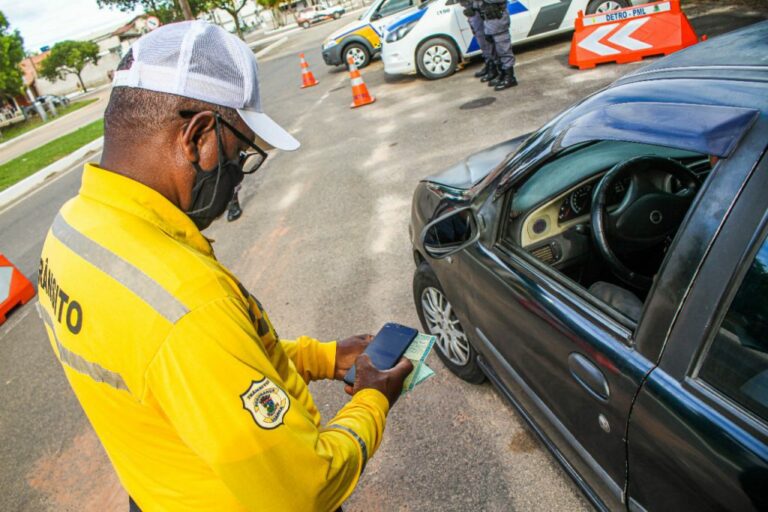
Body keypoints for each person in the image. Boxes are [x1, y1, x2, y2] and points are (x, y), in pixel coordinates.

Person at [37, 21, 412, 512]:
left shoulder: (70, 231)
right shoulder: (188, 303)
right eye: (240, 156)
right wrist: (372, 398)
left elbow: (202, 377)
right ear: (196, 137)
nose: (237, 180)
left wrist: (323, 357)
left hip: (158, 488)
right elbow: (307, 486)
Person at [481, 0, 517, 90]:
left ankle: (510, 78)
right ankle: (503, 74)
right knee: (496, 50)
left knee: (504, 49)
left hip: (498, 18)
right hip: (490, 20)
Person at [459, 0, 497, 82]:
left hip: (478, 7)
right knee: (480, 38)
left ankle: (493, 66)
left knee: (484, 38)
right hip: (470, 7)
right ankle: (489, 63)